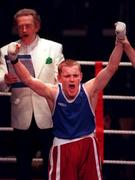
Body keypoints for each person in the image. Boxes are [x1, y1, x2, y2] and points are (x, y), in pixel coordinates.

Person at [7, 34, 123, 180]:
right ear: (60, 78)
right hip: (62, 146)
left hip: (88, 144)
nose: (72, 79)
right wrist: (14, 59)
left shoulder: (89, 89)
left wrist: (120, 41)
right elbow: (28, 80)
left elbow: (112, 68)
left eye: (75, 75)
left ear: (81, 76)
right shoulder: (53, 92)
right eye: (67, 76)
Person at [0, 8, 64, 180]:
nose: (24, 30)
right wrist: (6, 79)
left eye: (28, 26)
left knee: (50, 165)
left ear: (37, 26)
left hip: (47, 113)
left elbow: (62, 77)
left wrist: (58, 82)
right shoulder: (6, 49)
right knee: (22, 166)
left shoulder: (54, 48)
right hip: (22, 114)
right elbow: (0, 83)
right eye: (20, 27)